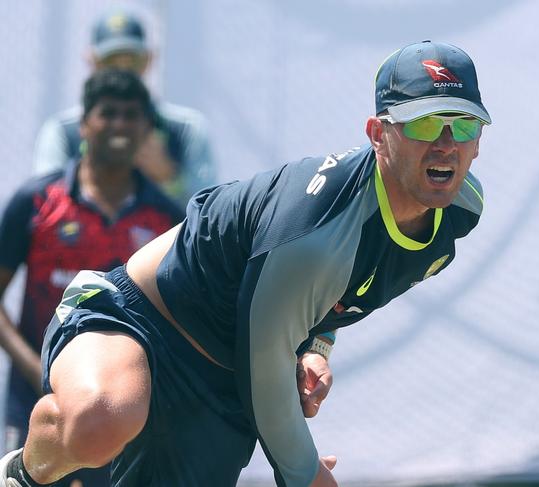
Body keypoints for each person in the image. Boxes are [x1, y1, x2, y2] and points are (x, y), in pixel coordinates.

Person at [0, 40, 491, 487]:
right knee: (102, 420)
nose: (445, 143)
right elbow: (266, 365)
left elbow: (340, 293)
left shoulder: (458, 215)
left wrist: (316, 343)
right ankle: (20, 474)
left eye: (463, 124)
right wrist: (305, 473)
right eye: (424, 123)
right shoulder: (314, 230)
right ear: (378, 134)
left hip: (222, 377)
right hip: (139, 321)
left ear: (478, 141)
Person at [0, 68, 184, 486]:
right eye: (108, 113)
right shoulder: (37, 202)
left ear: (145, 129)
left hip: (118, 406)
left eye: (131, 115)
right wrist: (36, 368)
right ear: (85, 123)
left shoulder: (167, 219)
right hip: (35, 397)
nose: (119, 125)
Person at [32, 9, 217, 209]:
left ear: (149, 59)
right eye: (111, 61)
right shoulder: (62, 130)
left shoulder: (186, 127)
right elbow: (43, 206)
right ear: (91, 60)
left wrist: (170, 178)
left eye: (132, 60)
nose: (123, 70)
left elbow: (210, 214)